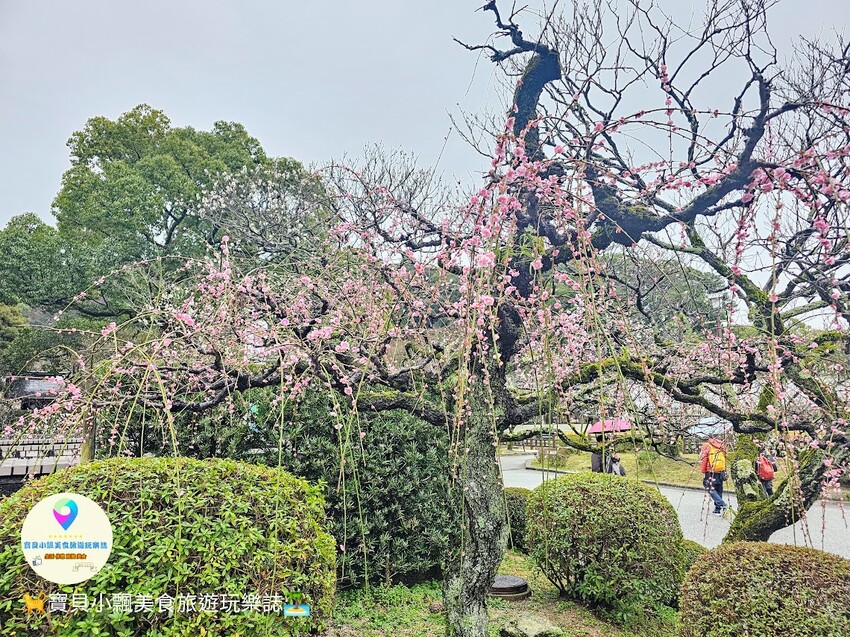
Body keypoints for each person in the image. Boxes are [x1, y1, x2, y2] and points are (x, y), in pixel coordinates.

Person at [700, 437, 728, 515]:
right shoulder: (722, 446)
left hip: (710, 471)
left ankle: (722, 504)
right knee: (719, 489)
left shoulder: (707, 446)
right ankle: (717, 510)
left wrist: (703, 470)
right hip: (720, 471)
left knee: (709, 487)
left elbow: (704, 459)